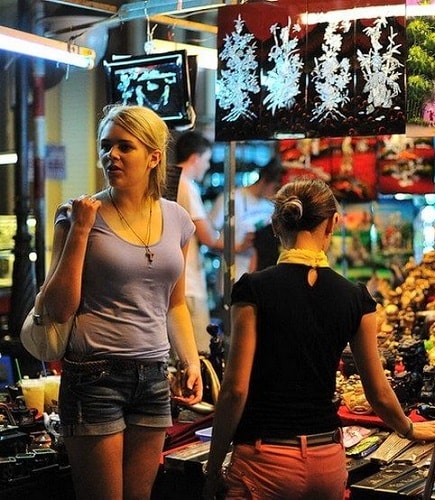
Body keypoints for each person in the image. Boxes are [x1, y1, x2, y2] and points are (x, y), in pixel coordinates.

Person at [203, 178, 435, 499]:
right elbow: (379, 393)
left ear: (276, 225)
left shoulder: (253, 289)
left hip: (265, 461)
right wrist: (408, 428)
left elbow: (235, 390)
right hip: (327, 461)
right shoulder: (356, 297)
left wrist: (214, 466)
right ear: (333, 222)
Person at [40, 104, 203, 500]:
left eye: (124, 146)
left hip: (153, 375)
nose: (111, 155)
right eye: (105, 145)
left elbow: (174, 304)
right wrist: (80, 231)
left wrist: (191, 360)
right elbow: (57, 308)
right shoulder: (75, 214)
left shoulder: (178, 219)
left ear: (153, 157)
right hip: (94, 376)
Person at [174, 130, 224, 353]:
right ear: (195, 158)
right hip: (190, 285)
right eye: (206, 160)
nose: (207, 166)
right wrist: (238, 246)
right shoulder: (187, 185)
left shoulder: (170, 182)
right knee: (199, 352)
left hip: (175, 282)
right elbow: (207, 236)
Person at [210, 162, 284, 281]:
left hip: (262, 276)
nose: (276, 193)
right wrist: (238, 247)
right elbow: (208, 238)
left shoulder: (271, 205)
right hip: (234, 276)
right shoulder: (231, 199)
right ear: (264, 180)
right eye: (275, 188)